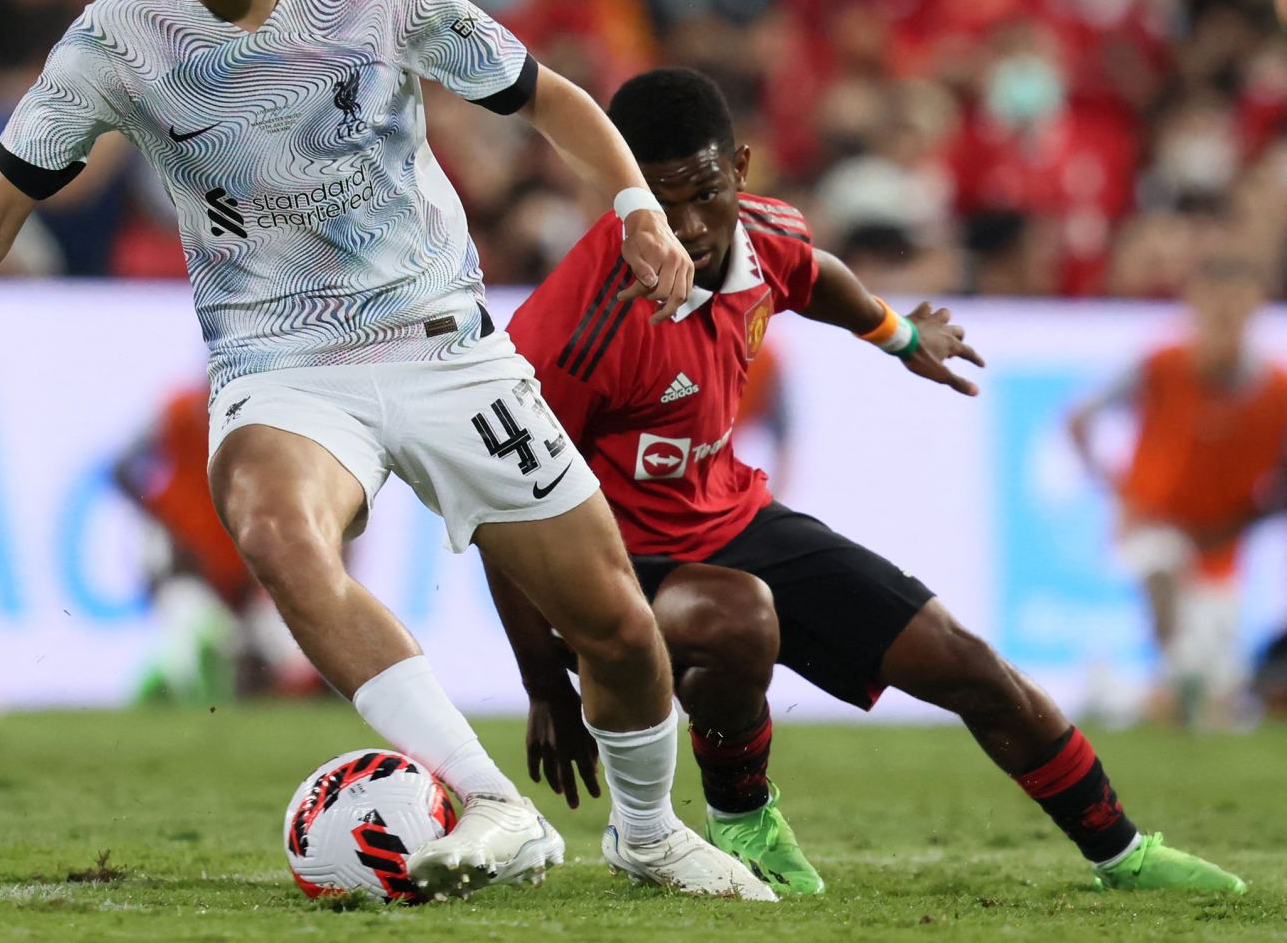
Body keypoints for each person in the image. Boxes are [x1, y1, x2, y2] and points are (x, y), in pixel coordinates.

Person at [0, 0, 772, 902]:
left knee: (619, 630)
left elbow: (549, 96)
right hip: (280, 361)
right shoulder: (117, 42)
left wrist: (633, 205)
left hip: (442, 341)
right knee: (275, 524)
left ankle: (647, 832)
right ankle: (489, 800)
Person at [498, 68, 1247, 896]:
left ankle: (1122, 853)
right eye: (658, 200)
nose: (687, 226)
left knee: (968, 664)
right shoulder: (575, 326)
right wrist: (543, 689)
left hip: (733, 515)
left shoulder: (764, 232)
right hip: (615, 565)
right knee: (737, 615)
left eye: (704, 194)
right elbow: (505, 501)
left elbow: (815, 276)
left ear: (740, 169)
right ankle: (740, 817)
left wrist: (898, 335)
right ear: (623, 193)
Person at [1068, 254, 1287, 729]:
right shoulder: (1160, 365)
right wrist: (1115, 490)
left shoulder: (1276, 389)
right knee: (1158, 563)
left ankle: (1111, 696)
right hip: (1153, 519)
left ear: (1255, 308)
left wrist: (1244, 520)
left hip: (1218, 546)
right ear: (1195, 305)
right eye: (1216, 303)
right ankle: (1177, 668)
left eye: (1237, 304)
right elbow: (1079, 418)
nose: (1226, 316)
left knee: (1217, 706)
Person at [112, 382, 318, 704]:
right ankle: (163, 692)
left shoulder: (268, 414)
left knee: (284, 657)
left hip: (241, 569)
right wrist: (166, 519)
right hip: (188, 566)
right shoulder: (182, 410)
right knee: (196, 639)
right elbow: (120, 467)